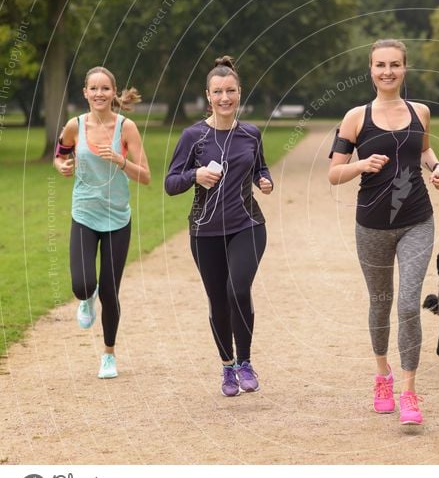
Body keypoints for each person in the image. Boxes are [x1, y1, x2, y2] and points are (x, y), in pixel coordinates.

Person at [328, 39, 439, 426]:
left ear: (404, 68)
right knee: (381, 302)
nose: (388, 72)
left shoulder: (421, 112)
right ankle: (383, 376)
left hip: (417, 219)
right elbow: (334, 173)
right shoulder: (355, 118)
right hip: (372, 226)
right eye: (381, 65)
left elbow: (425, 151)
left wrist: (438, 167)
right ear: (371, 70)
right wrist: (362, 165)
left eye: (395, 65)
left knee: (409, 304)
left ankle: (410, 392)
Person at [165, 56, 274, 397]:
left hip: (248, 224)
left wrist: (265, 179)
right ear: (207, 95)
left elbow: (260, 168)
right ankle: (227, 368)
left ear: (240, 93)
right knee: (218, 299)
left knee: (237, 290)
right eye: (217, 92)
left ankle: (245, 362)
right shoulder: (193, 137)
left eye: (230, 91)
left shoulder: (251, 134)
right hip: (205, 230)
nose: (224, 97)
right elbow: (171, 183)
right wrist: (195, 174)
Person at [53, 66, 151, 379]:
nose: (99, 94)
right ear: (85, 93)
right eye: (93, 88)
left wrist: (120, 160)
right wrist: (61, 165)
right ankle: (86, 299)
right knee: (83, 284)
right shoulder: (75, 125)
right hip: (84, 213)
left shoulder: (127, 127)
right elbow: (60, 152)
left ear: (113, 92)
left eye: (105, 88)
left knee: (110, 292)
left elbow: (146, 176)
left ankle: (108, 354)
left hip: (117, 217)